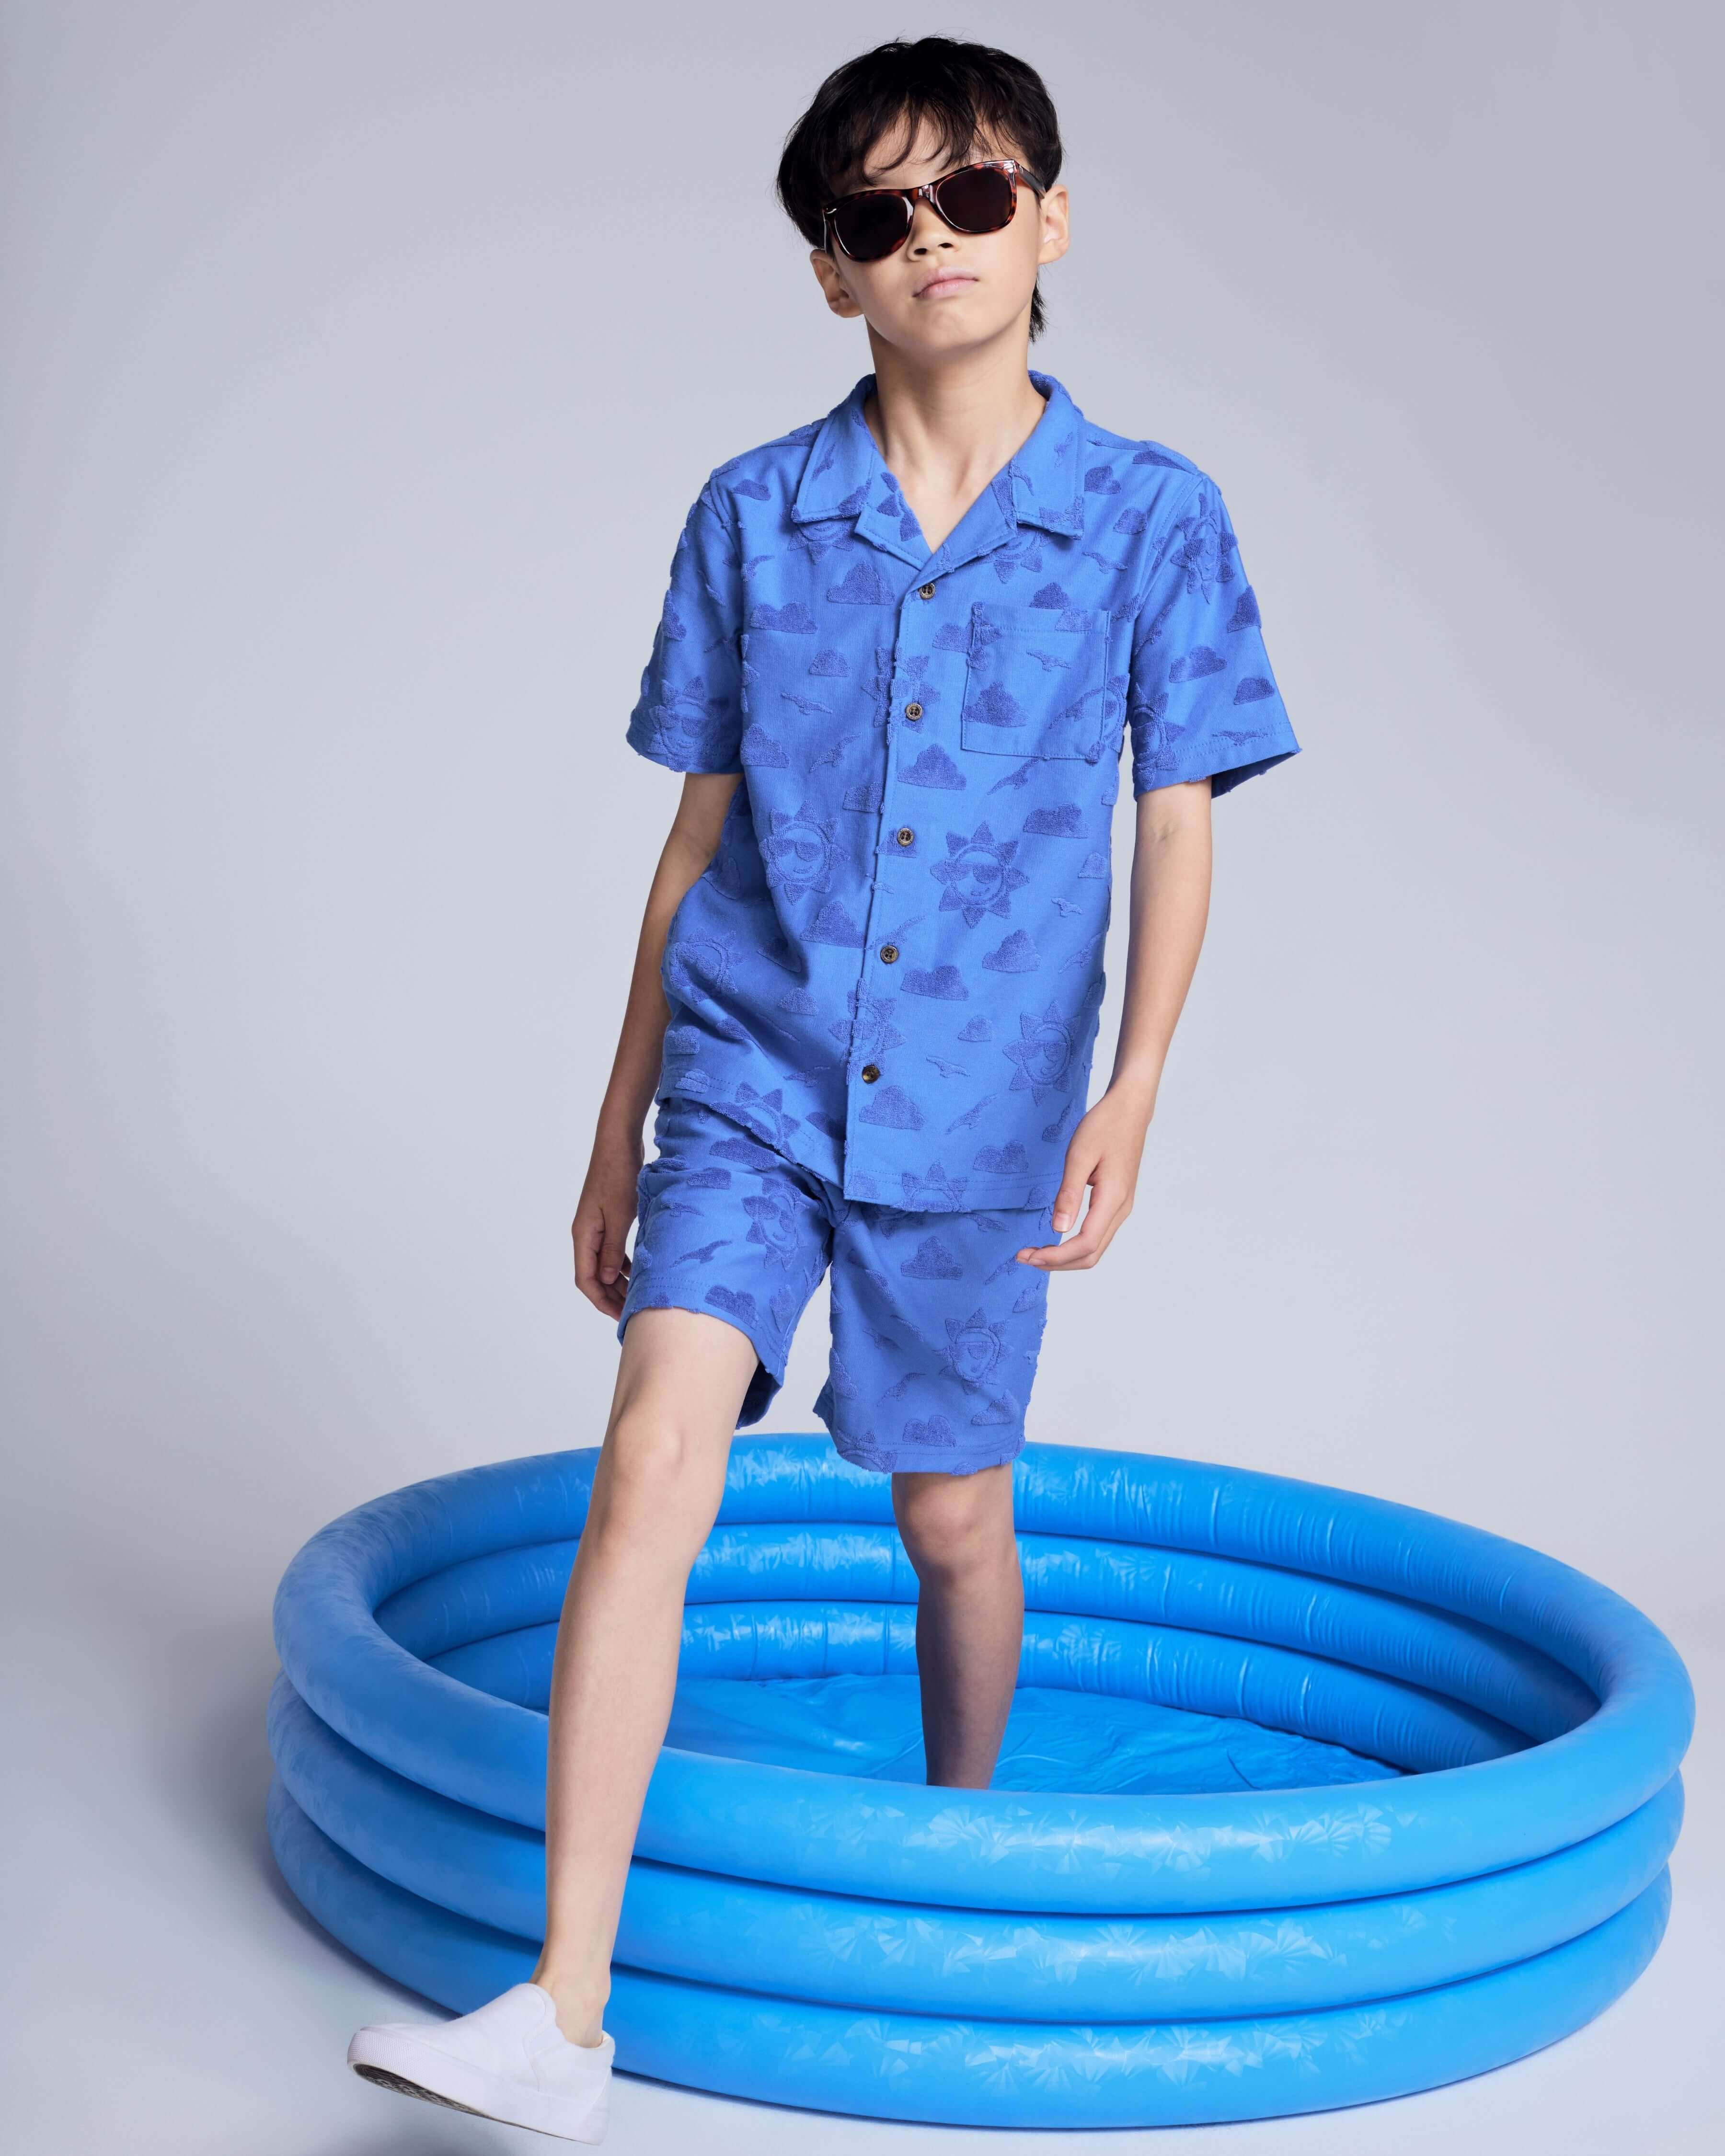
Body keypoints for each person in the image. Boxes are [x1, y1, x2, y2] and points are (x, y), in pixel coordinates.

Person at [345, 34, 1299, 2142]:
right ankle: (563, 2016)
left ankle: (954, 1854)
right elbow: (695, 846)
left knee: (953, 1519)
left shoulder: (1153, 521)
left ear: (1052, 215)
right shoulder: (752, 518)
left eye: (972, 197)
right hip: (754, 1081)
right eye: (878, 218)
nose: (932, 242)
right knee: (652, 1463)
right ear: (827, 271)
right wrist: (617, 1128)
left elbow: (1180, 817)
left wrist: (1135, 1085)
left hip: (981, 1121)